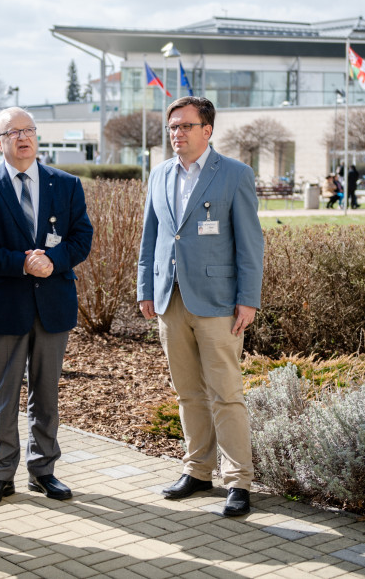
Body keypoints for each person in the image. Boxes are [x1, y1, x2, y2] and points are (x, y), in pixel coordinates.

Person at [0, 107, 93, 508]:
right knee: (1, 396)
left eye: (29, 130)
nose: (23, 137)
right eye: (13, 132)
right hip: (5, 308)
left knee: (46, 393)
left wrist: (54, 261)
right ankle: (0, 475)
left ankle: (44, 471)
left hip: (53, 304)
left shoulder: (66, 185)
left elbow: (82, 236)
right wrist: (22, 261)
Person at [137, 96, 264, 517]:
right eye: (172, 126)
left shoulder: (234, 175)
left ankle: (238, 481)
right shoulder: (159, 175)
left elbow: (250, 244)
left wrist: (248, 300)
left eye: (186, 126)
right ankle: (197, 471)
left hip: (217, 304)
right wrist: (145, 289)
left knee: (226, 394)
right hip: (169, 300)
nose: (177, 133)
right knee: (188, 392)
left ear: (207, 130)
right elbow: (151, 239)